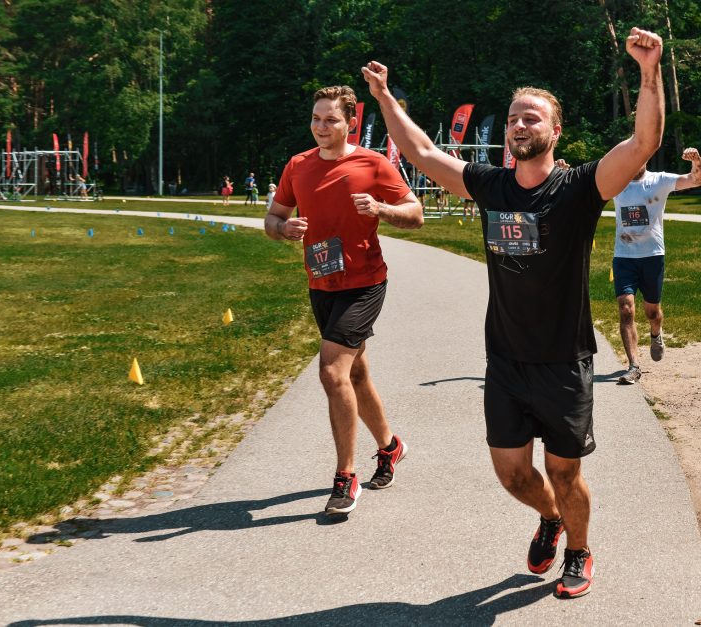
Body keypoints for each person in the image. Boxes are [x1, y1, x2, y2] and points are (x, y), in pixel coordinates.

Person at [362, 26, 665, 599]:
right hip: (504, 360)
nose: (519, 125)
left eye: (532, 118)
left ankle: (578, 550)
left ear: (555, 130)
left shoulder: (579, 189)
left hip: (563, 360)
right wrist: (383, 99)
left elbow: (642, 143)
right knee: (511, 473)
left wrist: (649, 72)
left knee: (565, 471)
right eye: (513, 118)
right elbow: (424, 154)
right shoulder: (491, 185)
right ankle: (551, 519)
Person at [264, 85, 424, 516]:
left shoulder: (372, 163)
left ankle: (345, 476)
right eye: (316, 119)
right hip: (321, 283)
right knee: (355, 374)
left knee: (332, 371)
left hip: (365, 282)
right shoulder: (297, 166)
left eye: (330, 120)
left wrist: (381, 209)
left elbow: (416, 213)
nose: (321, 127)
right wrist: (282, 230)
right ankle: (390, 447)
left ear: (350, 122)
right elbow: (272, 217)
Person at [614, 147, 701, 384]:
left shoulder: (660, 181)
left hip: (653, 256)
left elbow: (696, 180)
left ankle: (656, 333)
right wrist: (563, 172)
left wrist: (696, 160)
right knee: (626, 309)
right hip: (624, 257)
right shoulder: (616, 183)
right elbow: (584, 189)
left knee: (652, 312)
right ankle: (634, 365)